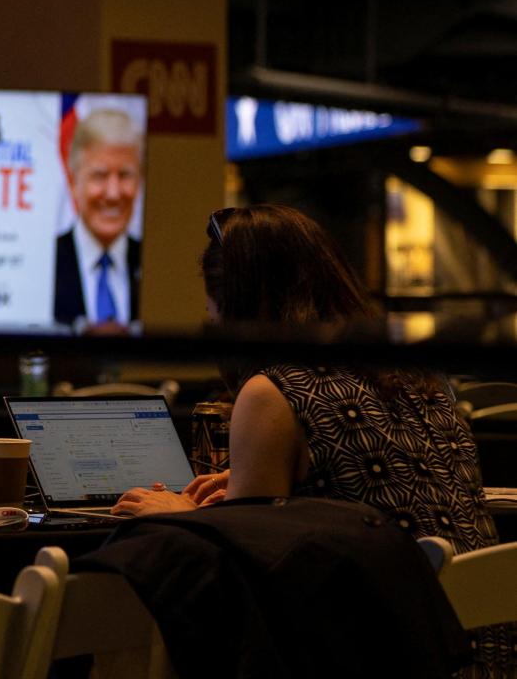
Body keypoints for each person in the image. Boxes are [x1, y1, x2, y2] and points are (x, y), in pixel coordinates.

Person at [109, 203, 508, 675]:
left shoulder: (274, 390)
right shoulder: (419, 373)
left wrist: (182, 517)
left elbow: (246, 571)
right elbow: (370, 488)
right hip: (484, 648)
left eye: (211, 306)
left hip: (388, 654)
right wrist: (271, 487)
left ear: (235, 302)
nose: (210, 320)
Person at [53, 108, 143, 327]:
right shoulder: (47, 262)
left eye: (125, 175)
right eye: (100, 176)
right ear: (73, 183)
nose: (113, 194)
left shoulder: (155, 265)